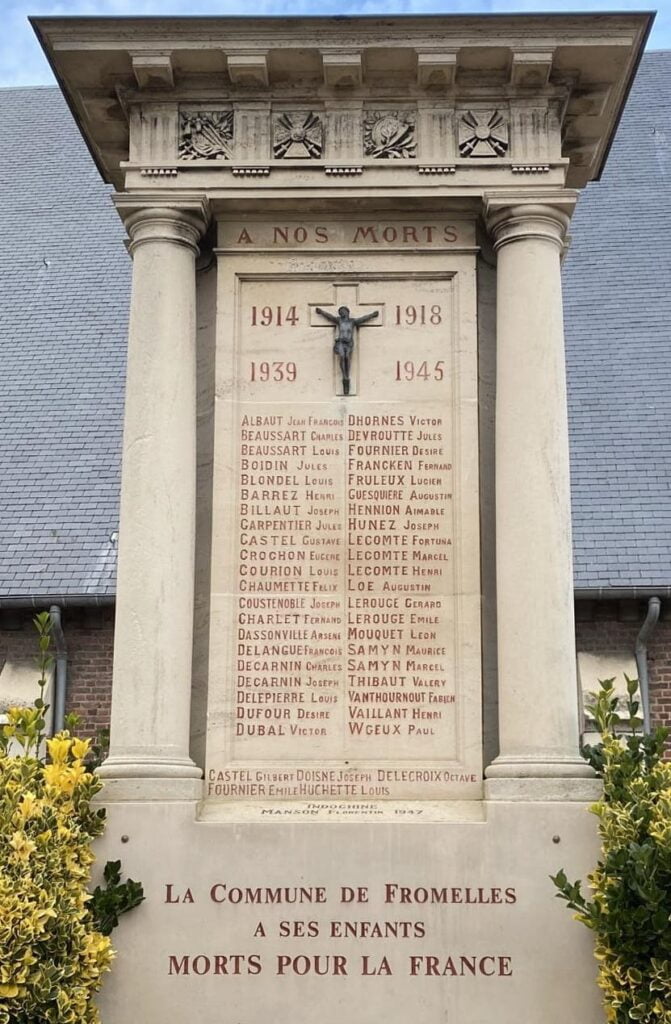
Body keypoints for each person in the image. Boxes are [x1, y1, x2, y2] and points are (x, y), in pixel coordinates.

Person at [315, 305, 379, 395]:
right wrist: (321, 312)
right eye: (340, 312)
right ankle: (345, 377)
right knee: (342, 356)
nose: (341, 313)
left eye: (343, 311)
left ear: (347, 312)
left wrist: (372, 315)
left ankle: (347, 376)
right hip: (341, 342)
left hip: (349, 343)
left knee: (347, 358)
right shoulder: (339, 320)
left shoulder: (352, 322)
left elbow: (363, 319)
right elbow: (330, 317)